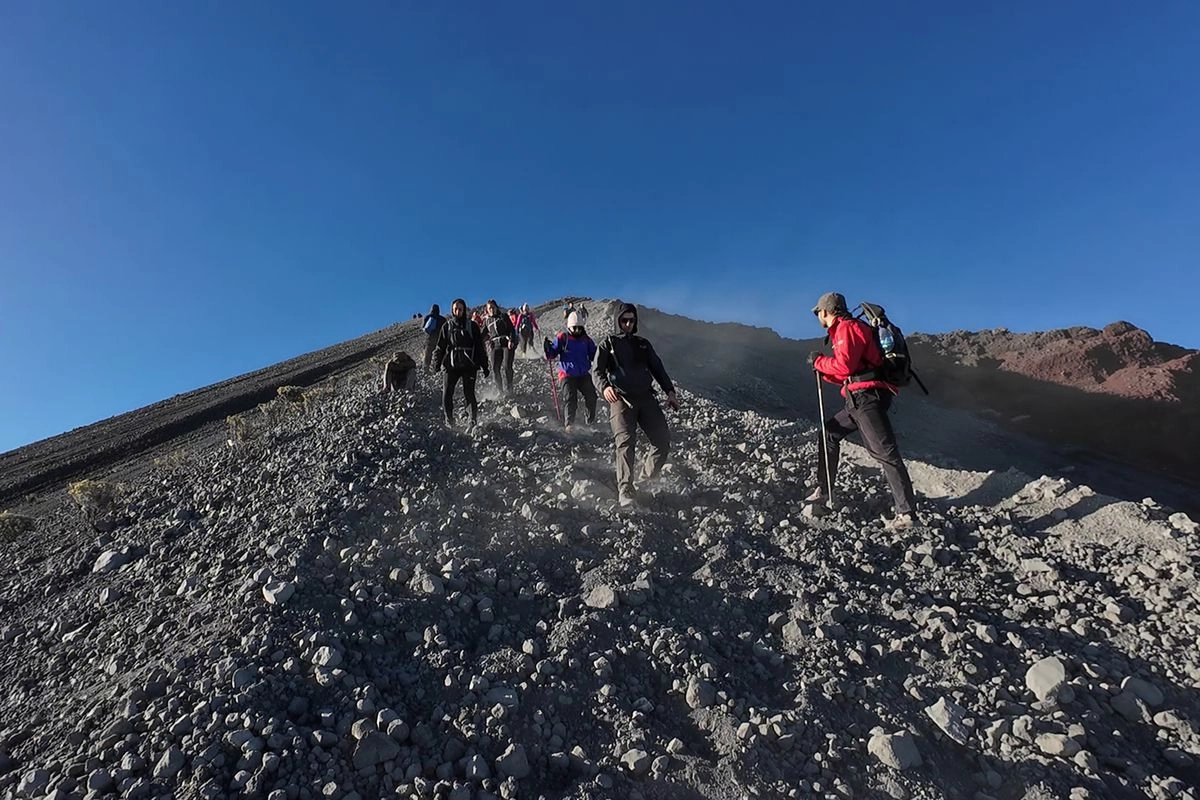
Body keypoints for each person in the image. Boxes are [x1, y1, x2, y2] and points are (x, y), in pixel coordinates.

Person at [808, 291, 918, 529]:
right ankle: (824, 490)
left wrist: (819, 362)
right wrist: (823, 370)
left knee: (885, 452)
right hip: (857, 398)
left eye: (818, 312)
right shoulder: (845, 330)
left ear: (825, 311)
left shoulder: (847, 328)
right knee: (829, 433)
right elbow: (847, 372)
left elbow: (844, 365)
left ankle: (907, 514)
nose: (818, 317)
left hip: (867, 398)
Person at [594, 303, 679, 507]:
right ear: (617, 321)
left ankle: (646, 478)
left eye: (632, 320)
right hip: (620, 400)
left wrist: (670, 391)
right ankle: (626, 489)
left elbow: (657, 368)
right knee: (625, 443)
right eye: (624, 320)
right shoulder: (608, 344)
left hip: (646, 398)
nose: (628, 324)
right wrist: (604, 387)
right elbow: (596, 371)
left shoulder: (643, 344)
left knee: (662, 440)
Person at [432, 298, 490, 430]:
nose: (457, 311)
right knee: (447, 393)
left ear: (464, 310)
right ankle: (449, 420)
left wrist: (485, 366)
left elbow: (479, 347)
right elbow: (440, 347)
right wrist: (437, 364)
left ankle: (472, 421)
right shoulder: (447, 327)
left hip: (469, 365)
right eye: (455, 309)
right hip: (451, 366)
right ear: (452, 311)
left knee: (469, 393)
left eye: (460, 309)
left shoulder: (472, 326)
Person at [545, 311, 598, 428]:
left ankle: (590, 421)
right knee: (570, 398)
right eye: (575, 328)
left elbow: (594, 355)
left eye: (580, 328)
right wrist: (548, 349)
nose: (577, 330)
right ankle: (569, 425)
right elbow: (552, 354)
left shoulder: (587, 340)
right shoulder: (563, 338)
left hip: (583, 373)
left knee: (592, 396)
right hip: (567, 374)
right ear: (569, 327)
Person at [482, 299, 518, 396]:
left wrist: (511, 340)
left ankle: (509, 387)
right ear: (487, 310)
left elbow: (511, 329)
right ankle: (500, 390)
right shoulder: (487, 321)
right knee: (495, 368)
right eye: (490, 308)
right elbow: (482, 334)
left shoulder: (503, 316)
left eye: (493, 307)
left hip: (506, 343)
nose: (492, 309)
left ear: (496, 307)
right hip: (495, 345)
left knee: (507, 366)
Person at [421, 304, 446, 373]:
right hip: (439, 338)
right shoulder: (443, 319)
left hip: (429, 338)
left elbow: (423, 328)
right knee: (438, 353)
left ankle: (426, 368)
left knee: (428, 353)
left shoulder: (427, 317)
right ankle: (437, 368)